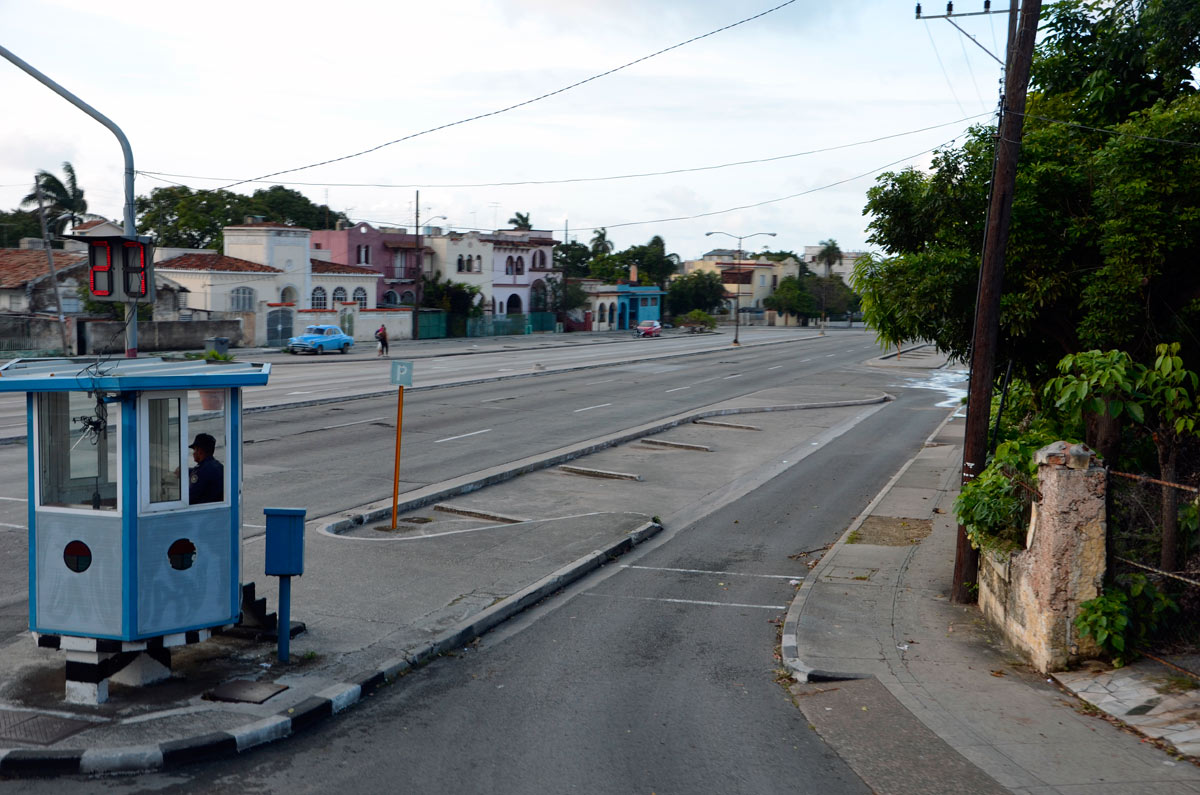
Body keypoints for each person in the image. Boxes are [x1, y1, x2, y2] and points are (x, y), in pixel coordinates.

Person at [188, 433, 224, 504]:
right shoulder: (218, 466)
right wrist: (186, 471)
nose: (193, 453)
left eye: (194, 450)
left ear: (200, 451)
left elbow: (189, 498)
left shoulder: (200, 472)